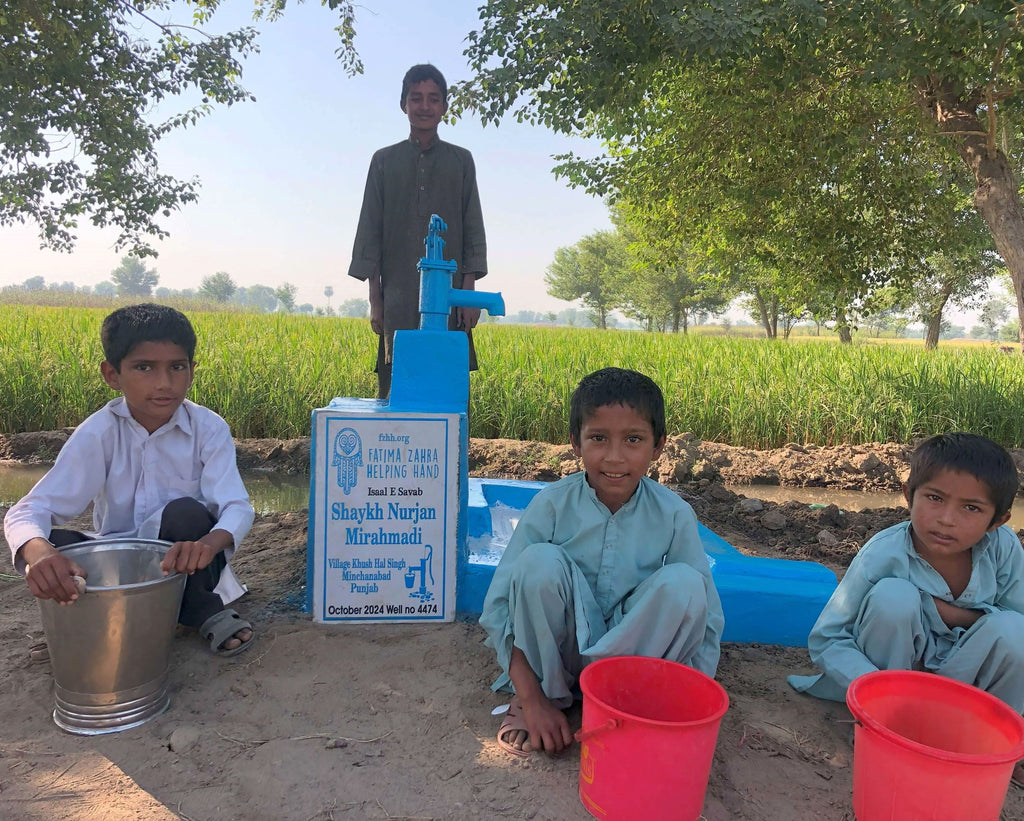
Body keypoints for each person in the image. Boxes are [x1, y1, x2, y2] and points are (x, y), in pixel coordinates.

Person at [479, 367, 724, 756]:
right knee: (537, 563)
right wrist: (530, 697)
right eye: (598, 438)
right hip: (555, 657)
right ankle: (545, 697)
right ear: (575, 442)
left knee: (687, 585)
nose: (614, 457)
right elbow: (499, 608)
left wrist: (683, 697)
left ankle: (627, 705)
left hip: (630, 663)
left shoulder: (674, 514)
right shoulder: (551, 505)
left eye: (633, 439)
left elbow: (704, 621)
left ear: (658, 446)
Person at [4, 303, 256, 657]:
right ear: (112, 375)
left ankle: (201, 609)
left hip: (185, 564)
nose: (164, 383)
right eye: (144, 368)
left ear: (192, 371)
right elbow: (28, 511)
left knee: (188, 513)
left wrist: (208, 545)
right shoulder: (98, 433)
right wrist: (39, 551)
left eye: (177, 367)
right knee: (52, 542)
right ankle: (96, 617)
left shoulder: (208, 429)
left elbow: (236, 506)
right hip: (118, 566)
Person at [788, 432, 1024, 780]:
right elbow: (828, 638)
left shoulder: (1002, 550)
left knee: (1013, 631)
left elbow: (1016, 618)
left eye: (971, 508)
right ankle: (886, 730)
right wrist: (877, 690)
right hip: (891, 680)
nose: (946, 519)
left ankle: (987, 742)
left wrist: (953, 615)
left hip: (965, 681)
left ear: (998, 521)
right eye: (934, 498)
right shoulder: (883, 553)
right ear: (908, 495)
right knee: (892, 598)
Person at [348, 63, 488, 399]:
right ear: (404, 105)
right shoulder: (384, 161)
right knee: (396, 385)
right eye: (416, 98)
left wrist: (468, 295)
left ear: (444, 106)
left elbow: (472, 229)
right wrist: (375, 300)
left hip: (450, 299)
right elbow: (371, 231)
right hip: (397, 297)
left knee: (449, 389)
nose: (424, 106)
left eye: (433, 99)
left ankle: (451, 453)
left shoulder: (461, 161)